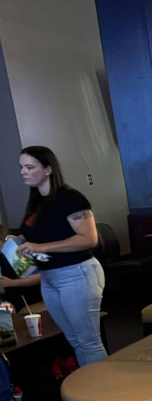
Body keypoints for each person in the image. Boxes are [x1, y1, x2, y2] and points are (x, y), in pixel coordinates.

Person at [15, 146, 108, 366]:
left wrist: (41, 247)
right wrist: (20, 243)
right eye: (21, 167)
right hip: (50, 278)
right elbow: (38, 237)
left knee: (89, 341)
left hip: (77, 274)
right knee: (74, 340)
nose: (23, 172)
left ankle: (104, 392)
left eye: (29, 167)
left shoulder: (70, 198)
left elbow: (88, 239)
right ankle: (89, 391)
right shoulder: (37, 202)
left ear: (48, 169)